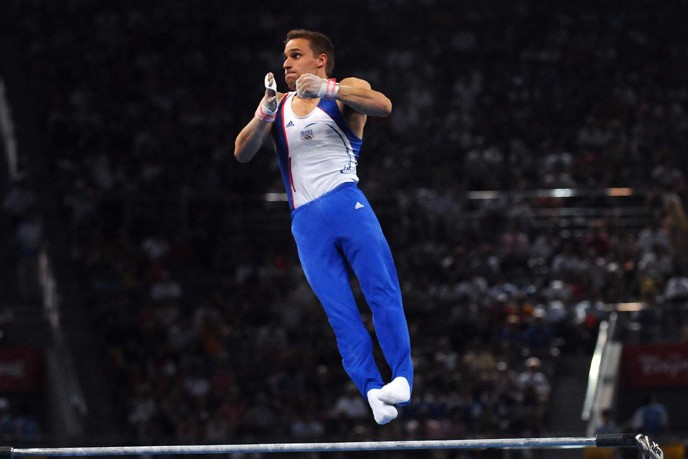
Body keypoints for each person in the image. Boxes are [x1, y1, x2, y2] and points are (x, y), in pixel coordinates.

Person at [233, 29, 413, 425]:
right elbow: (242, 153)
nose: (286, 63)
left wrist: (328, 89)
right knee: (340, 312)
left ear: (320, 60)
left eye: (295, 55)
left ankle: (402, 377)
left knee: (380, 291)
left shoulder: (344, 90)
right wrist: (263, 112)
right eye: (285, 57)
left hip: (347, 204)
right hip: (305, 223)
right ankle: (372, 391)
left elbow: (383, 106)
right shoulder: (277, 104)